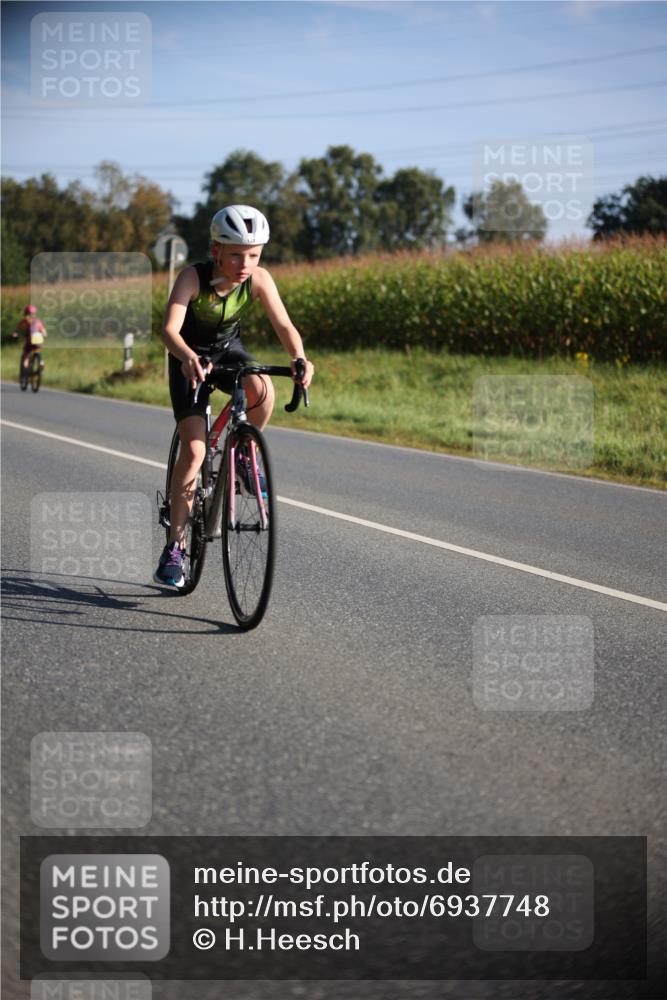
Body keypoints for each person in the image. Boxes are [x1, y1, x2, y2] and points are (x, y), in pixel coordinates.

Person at [154, 204, 314, 588]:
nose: (246, 264)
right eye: (236, 255)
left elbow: (284, 324)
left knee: (262, 389)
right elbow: (169, 330)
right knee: (195, 451)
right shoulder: (192, 277)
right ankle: (175, 548)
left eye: (254, 255)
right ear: (216, 251)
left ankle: (243, 454)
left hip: (227, 352)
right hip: (189, 358)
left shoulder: (258, 279)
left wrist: (299, 358)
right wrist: (187, 357)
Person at [13, 305, 47, 370]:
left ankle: (25, 365)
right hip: (38, 340)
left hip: (30, 340)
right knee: (37, 350)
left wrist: (15, 333)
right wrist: (44, 334)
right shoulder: (38, 321)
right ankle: (41, 362)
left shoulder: (25, 321)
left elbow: (18, 329)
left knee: (26, 352)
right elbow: (43, 330)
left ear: (26, 314)